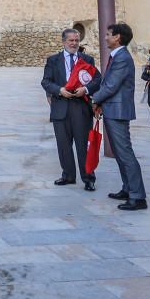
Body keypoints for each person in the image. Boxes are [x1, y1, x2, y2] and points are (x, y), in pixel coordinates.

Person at [79, 23, 147, 211]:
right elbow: (108, 83)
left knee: (125, 153)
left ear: (118, 37)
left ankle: (138, 196)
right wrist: (100, 103)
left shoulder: (122, 58)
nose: (106, 37)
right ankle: (128, 188)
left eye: (109, 34)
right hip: (112, 109)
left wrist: (94, 100)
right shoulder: (117, 56)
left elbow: (111, 86)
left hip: (118, 111)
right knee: (119, 152)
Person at [42, 29, 100, 189]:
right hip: (60, 107)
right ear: (63, 41)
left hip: (81, 108)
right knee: (63, 145)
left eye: (76, 40)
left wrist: (86, 90)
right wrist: (59, 90)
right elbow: (46, 81)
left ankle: (88, 179)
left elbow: (96, 80)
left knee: (83, 146)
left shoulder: (87, 59)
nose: (74, 43)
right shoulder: (53, 60)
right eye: (71, 40)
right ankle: (68, 175)